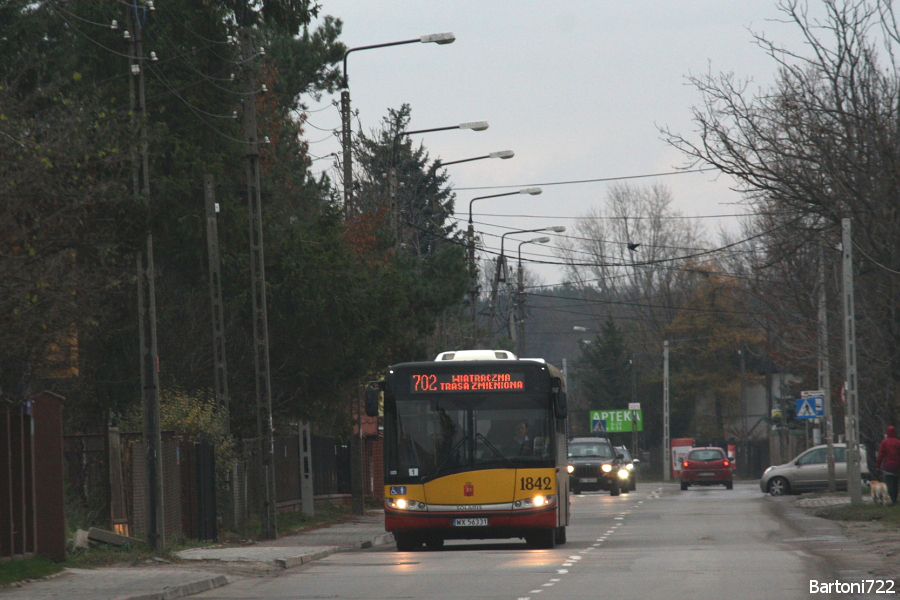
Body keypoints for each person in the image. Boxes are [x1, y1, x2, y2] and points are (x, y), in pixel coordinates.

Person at [875, 425, 900, 505]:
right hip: (897, 466)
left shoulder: (884, 442)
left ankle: (892, 499)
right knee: (895, 483)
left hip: (887, 466)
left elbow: (881, 455)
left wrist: (878, 465)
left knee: (889, 483)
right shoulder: (898, 442)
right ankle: (895, 498)